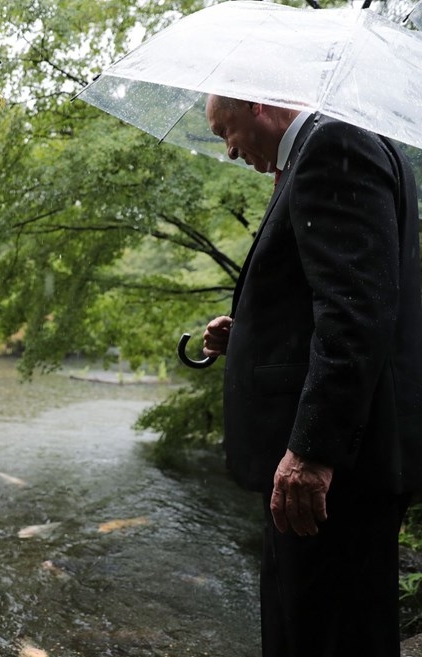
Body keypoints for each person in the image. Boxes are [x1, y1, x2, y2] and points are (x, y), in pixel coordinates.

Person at [201, 94, 422, 657]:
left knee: (324, 633)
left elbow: (356, 312)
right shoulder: (335, 149)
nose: (227, 151)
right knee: (315, 624)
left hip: (339, 466)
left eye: (226, 130)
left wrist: (312, 452)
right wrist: (248, 333)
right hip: (353, 457)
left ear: (259, 106)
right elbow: (338, 295)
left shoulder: (333, 145)